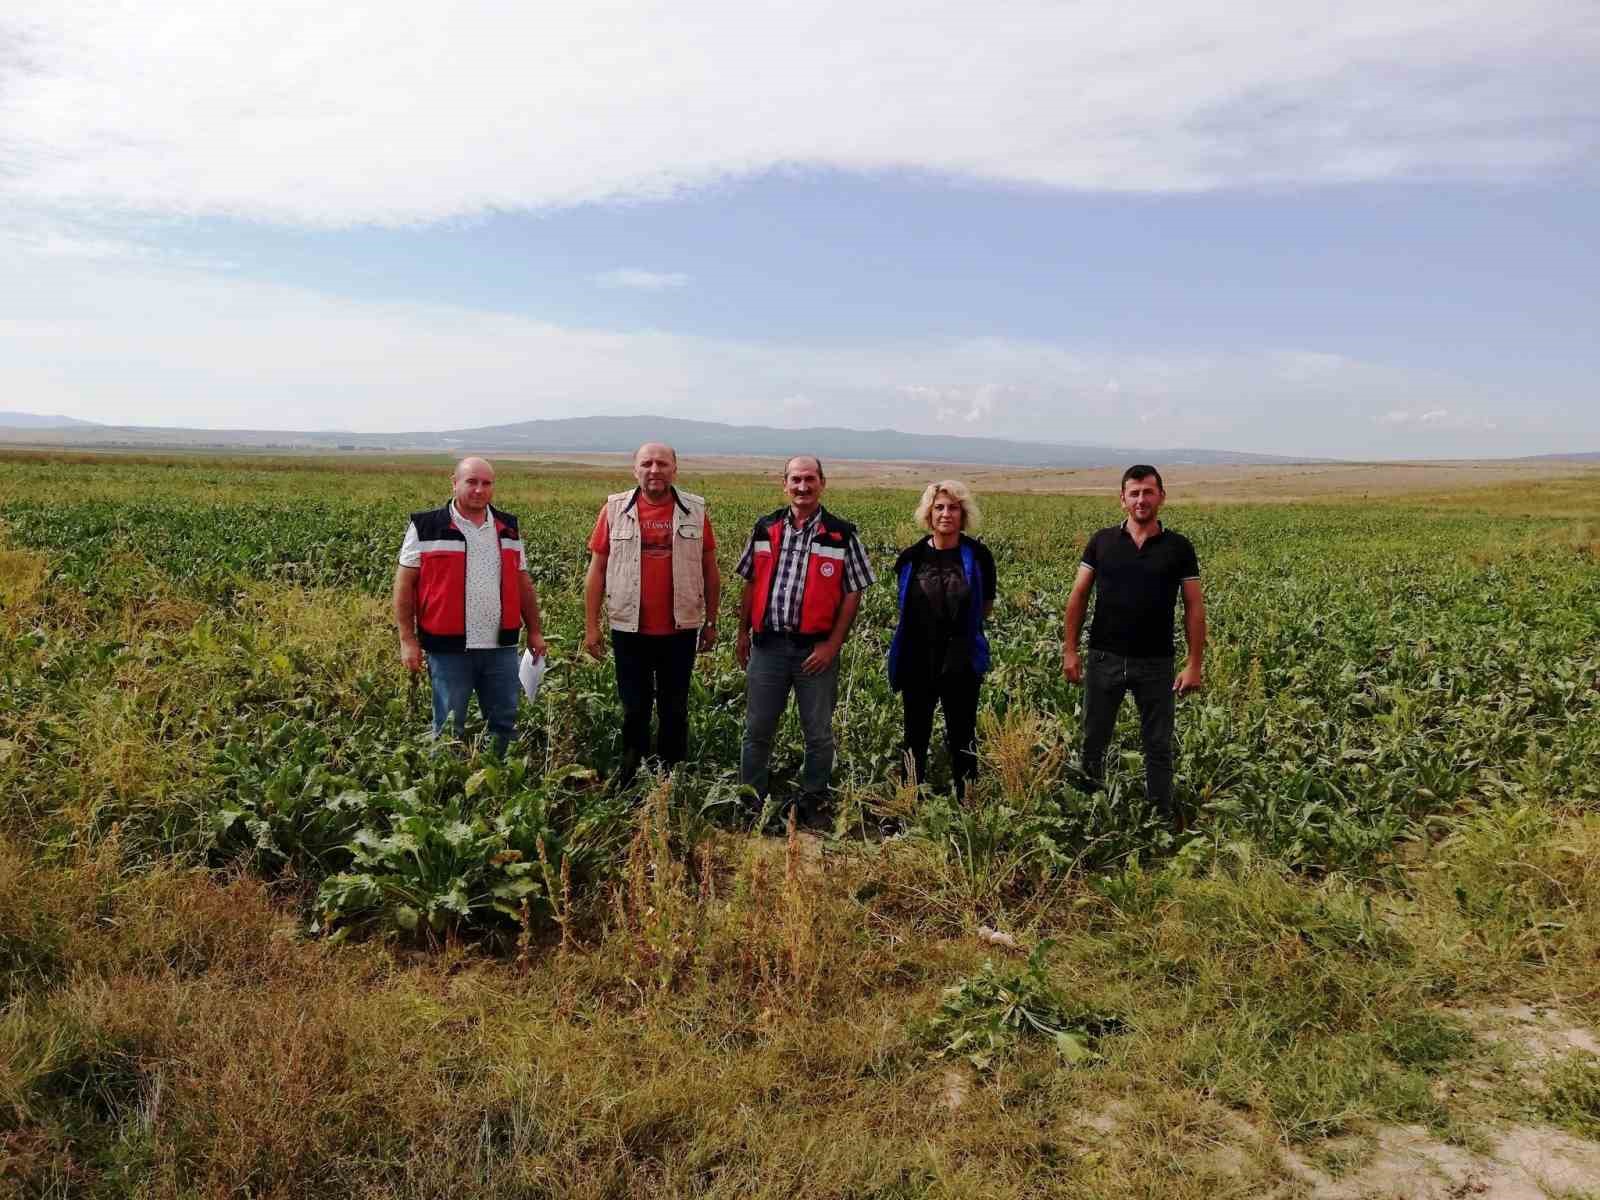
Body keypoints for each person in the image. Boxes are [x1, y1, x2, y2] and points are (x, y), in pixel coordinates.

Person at [734, 455, 875, 827]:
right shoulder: (765, 528)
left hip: (815, 650)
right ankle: (751, 802)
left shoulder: (842, 533)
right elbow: (750, 582)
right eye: (795, 479)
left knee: (818, 732)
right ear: (785, 484)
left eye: (810, 479)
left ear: (822, 484)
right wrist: (742, 632)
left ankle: (813, 803)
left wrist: (833, 645)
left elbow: (853, 592)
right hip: (767, 647)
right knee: (757, 729)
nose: (802, 486)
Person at [1061, 464, 1205, 826]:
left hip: (1156, 662)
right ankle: (1087, 815)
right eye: (1135, 493)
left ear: (1161, 497)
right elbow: (1079, 595)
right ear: (1122, 499)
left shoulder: (1179, 547)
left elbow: (1194, 606)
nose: (1142, 499)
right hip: (1104, 657)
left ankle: (1160, 818)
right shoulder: (1102, 542)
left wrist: (1194, 663)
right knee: (1093, 739)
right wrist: (1070, 650)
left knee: (1158, 745)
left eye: (1149, 492)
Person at [583, 443, 720, 783]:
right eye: (647, 463)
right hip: (629, 629)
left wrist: (712, 622)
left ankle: (671, 774)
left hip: (681, 628)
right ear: (635, 469)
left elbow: (710, 569)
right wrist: (591, 626)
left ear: (675, 469)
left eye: (662, 463)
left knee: (675, 706)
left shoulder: (695, 511)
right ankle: (632, 770)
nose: (654, 470)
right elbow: (596, 571)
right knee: (634, 705)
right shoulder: (614, 509)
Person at [393, 456, 548, 753]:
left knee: (504, 721)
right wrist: (407, 640)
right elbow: (404, 586)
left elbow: (522, 582)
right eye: (471, 482)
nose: (479, 490)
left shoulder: (508, 527)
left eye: (486, 483)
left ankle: (499, 784)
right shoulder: (426, 526)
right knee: (450, 726)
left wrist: (535, 631)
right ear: (454, 483)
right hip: (448, 648)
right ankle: (447, 788)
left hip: (500, 647)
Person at [886, 481, 996, 799]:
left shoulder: (978, 556)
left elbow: (985, 608)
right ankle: (909, 803)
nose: (946, 514)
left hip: (961, 661)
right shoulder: (911, 557)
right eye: (939, 507)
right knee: (914, 735)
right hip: (918, 659)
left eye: (953, 508)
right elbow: (904, 606)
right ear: (929, 514)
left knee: (963, 735)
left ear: (963, 514)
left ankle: (967, 803)